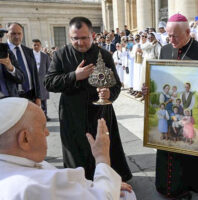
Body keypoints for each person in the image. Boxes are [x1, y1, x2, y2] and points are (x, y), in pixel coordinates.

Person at [44, 16, 132, 181]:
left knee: (105, 151)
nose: (80, 42)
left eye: (84, 38)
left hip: (100, 114)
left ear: (92, 35)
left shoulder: (104, 55)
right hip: (72, 115)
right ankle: (80, 185)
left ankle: (107, 183)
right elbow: (49, 82)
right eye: (75, 38)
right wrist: (74, 76)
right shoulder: (61, 55)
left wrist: (109, 94)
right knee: (76, 154)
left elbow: (116, 85)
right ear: (70, 37)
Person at [0, 97, 136, 200]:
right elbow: (102, 197)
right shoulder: (34, 185)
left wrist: (102, 183)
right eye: (42, 128)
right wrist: (102, 158)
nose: (47, 133)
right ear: (25, 139)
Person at [154, 13, 198, 199]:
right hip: (169, 108)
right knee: (167, 142)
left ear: (188, 32)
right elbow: (160, 78)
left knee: (187, 151)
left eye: (175, 36)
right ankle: (164, 186)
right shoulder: (165, 50)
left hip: (191, 110)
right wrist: (148, 89)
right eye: (168, 35)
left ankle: (185, 188)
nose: (170, 39)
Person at [6, 22, 41, 105]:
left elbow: (35, 75)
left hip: (30, 95)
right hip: (11, 97)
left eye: (19, 33)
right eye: (13, 33)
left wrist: (38, 97)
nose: (17, 36)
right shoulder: (3, 52)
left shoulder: (28, 51)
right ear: (7, 34)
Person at [0, 28, 24, 97]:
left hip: (10, 99)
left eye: (0, 38)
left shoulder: (7, 53)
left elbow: (21, 78)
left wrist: (11, 68)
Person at [32, 39, 51, 121]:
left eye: (38, 45)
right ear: (32, 46)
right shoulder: (29, 55)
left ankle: (44, 115)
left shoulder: (45, 56)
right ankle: (34, 116)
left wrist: (48, 79)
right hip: (33, 81)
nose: (36, 46)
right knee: (33, 100)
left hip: (43, 81)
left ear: (40, 46)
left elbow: (49, 68)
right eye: (34, 45)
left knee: (43, 99)